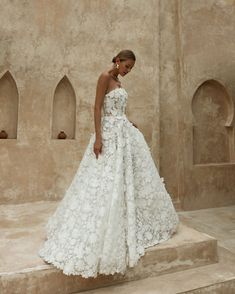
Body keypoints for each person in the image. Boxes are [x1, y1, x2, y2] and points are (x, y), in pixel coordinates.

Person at [38, 49, 180, 278]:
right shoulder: (105, 77)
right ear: (117, 60)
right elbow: (97, 108)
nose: (127, 71)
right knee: (103, 180)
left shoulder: (118, 81)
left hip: (123, 133)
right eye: (126, 66)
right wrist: (98, 138)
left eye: (131, 69)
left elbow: (118, 111)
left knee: (126, 178)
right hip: (108, 135)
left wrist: (129, 122)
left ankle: (127, 219)